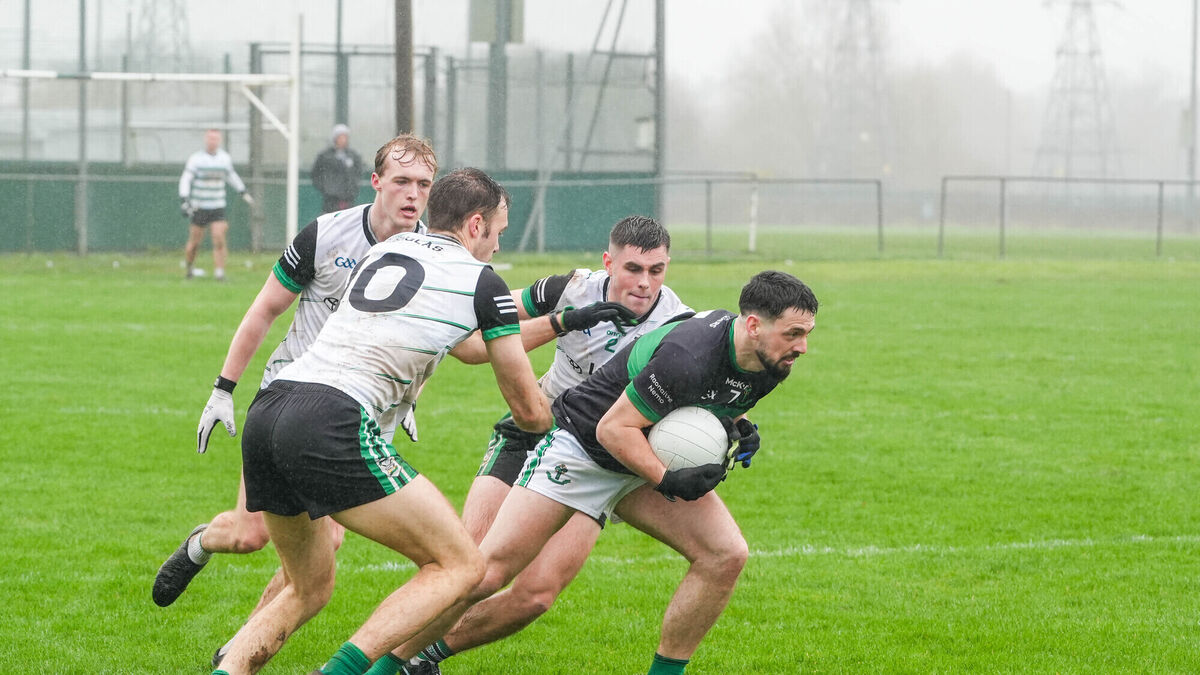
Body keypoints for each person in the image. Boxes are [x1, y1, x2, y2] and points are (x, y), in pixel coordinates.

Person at [211, 167, 554, 675]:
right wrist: (569, 422)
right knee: (461, 564)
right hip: (332, 419)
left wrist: (557, 320)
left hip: (270, 406)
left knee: (308, 588)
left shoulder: (385, 249)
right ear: (476, 225)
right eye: (498, 232)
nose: (498, 246)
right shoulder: (483, 282)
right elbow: (527, 409)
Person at [389, 270, 819, 675]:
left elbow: (717, 399)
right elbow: (612, 429)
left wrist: (737, 427)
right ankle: (382, 661)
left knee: (725, 555)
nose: (801, 347)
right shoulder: (689, 354)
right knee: (486, 574)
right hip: (582, 449)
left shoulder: (771, 361)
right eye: (793, 333)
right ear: (753, 326)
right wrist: (667, 480)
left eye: (806, 334)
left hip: (636, 461)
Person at [365, 215, 692, 675]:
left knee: (535, 596)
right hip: (532, 430)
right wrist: (561, 321)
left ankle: (422, 659)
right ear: (608, 262)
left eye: (656, 271)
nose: (644, 283)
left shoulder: (679, 324)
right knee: (465, 567)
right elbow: (472, 334)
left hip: (589, 457)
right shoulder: (570, 289)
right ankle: (372, 661)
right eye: (633, 269)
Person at [153, 134, 437, 631]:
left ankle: (239, 647)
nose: (413, 194)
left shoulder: (433, 255)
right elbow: (264, 309)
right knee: (247, 536)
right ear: (375, 182)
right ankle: (202, 542)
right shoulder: (326, 234)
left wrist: (410, 398)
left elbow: (430, 340)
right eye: (401, 181)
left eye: (424, 184)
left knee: (325, 544)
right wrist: (223, 388)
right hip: (288, 397)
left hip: (356, 410)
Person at [179, 128, 255, 281]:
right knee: (195, 242)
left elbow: (231, 176)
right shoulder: (196, 159)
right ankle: (190, 268)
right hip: (199, 206)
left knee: (219, 237)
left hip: (217, 205)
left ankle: (219, 272)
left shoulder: (224, 159)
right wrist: (184, 199)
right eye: (210, 138)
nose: (212, 141)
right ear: (206, 140)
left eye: (215, 139)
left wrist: (243, 192)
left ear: (219, 141)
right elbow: (186, 178)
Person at [312, 123, 366, 214]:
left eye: (345, 137)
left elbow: (358, 172)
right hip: (330, 200)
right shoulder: (325, 156)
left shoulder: (353, 156)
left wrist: (352, 187)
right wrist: (327, 188)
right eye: (340, 137)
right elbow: (316, 174)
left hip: (348, 199)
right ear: (335, 138)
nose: (343, 140)